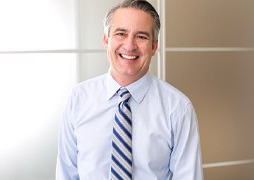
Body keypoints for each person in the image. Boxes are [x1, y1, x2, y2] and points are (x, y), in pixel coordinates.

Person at [56, 0, 203, 179]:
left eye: (141, 36)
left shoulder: (178, 108)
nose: (130, 45)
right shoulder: (77, 99)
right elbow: (66, 173)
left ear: (154, 46)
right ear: (105, 39)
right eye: (121, 33)